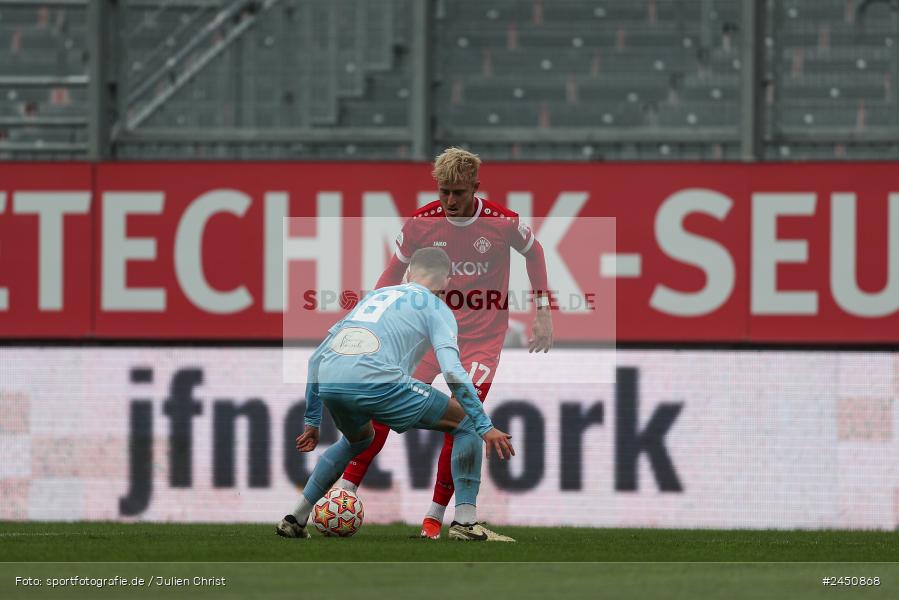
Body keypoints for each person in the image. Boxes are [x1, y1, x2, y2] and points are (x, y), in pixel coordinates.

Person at [334, 147, 553, 539]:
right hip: (426, 336)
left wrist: (543, 310)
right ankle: (344, 493)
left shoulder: (502, 222)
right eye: (443, 192)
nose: (450, 200)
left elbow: (534, 253)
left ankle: (438, 518)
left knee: (463, 420)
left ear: (475, 187)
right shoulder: (421, 224)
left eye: (458, 192)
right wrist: (367, 321)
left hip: (480, 340)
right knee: (382, 408)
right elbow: (392, 273)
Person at [277, 247, 517, 542]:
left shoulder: (374, 297)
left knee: (358, 440)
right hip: (376, 380)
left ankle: (296, 517)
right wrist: (485, 425)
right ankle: (465, 524)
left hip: (331, 380)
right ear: (446, 283)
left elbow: (316, 359)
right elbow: (453, 371)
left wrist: (312, 422)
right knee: (466, 423)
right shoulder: (435, 306)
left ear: (408, 273)